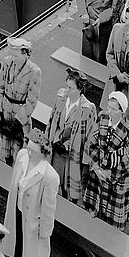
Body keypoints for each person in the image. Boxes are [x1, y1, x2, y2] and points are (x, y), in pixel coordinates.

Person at [2, 126, 58, 257]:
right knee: (19, 242)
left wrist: (45, 231)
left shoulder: (49, 176)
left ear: (43, 153)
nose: (29, 152)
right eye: (29, 147)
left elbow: (49, 209)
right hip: (17, 210)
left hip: (34, 219)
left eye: (34, 150)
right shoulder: (22, 156)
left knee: (35, 252)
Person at [81, 92, 129, 230]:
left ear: (122, 111)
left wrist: (108, 175)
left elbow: (128, 161)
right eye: (108, 107)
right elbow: (91, 142)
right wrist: (95, 167)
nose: (109, 111)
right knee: (93, 213)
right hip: (98, 172)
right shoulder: (102, 118)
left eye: (113, 109)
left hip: (117, 179)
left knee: (111, 222)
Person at [47, 68, 97, 204]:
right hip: (57, 150)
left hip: (73, 155)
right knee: (54, 182)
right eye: (66, 86)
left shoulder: (88, 108)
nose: (67, 91)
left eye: (71, 88)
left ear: (80, 89)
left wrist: (86, 161)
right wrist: (50, 140)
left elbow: (91, 136)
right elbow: (52, 120)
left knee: (70, 189)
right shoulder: (61, 98)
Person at [0, 37, 41, 164]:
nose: (13, 58)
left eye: (16, 56)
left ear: (25, 54)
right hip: (5, 109)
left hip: (21, 115)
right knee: (2, 148)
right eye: (12, 55)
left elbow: (32, 100)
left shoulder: (34, 71)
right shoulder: (7, 63)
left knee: (18, 153)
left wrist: (19, 121)